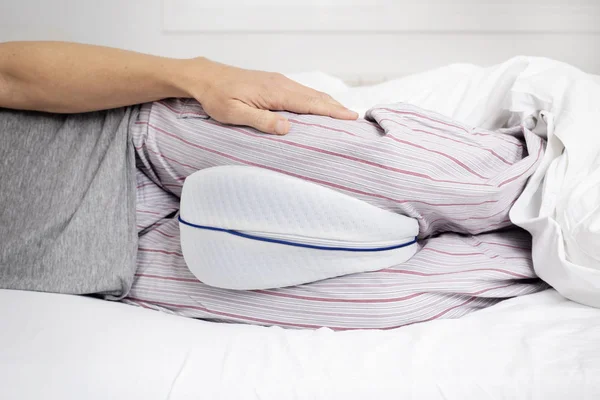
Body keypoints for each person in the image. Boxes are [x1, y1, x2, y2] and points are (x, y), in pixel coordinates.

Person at [0, 41, 547, 329]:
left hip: (127, 142)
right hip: (99, 263)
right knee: (384, 301)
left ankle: (562, 179)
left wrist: (196, 74)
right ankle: (563, 260)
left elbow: (12, 73)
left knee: (430, 176)